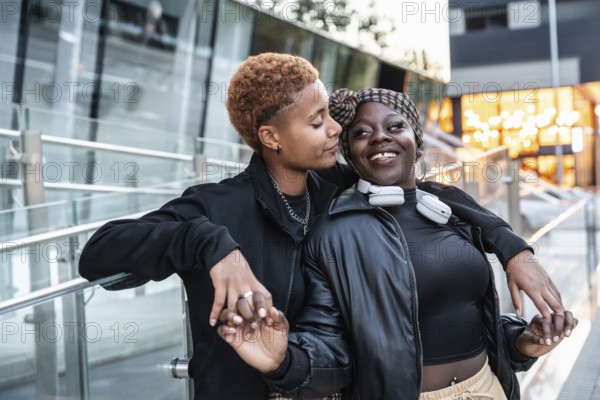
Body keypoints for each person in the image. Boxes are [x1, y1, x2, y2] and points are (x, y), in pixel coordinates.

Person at [79, 52, 565, 400]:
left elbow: (428, 192)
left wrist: (512, 248)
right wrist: (211, 244)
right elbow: (100, 253)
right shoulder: (215, 206)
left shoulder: (335, 186)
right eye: (317, 121)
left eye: (330, 113)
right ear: (271, 137)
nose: (335, 128)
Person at [218, 88, 577, 400]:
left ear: (416, 142)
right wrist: (283, 359)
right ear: (350, 152)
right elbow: (332, 346)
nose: (379, 137)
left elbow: (468, 317)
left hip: (489, 387)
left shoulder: (451, 213)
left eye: (394, 126)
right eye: (362, 133)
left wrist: (521, 341)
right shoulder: (334, 234)